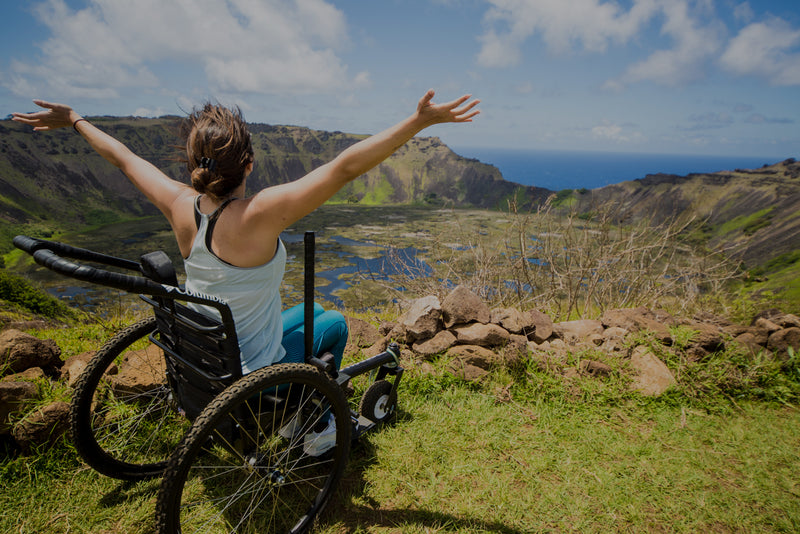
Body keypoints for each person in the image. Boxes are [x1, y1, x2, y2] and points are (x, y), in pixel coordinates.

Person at [12, 90, 480, 376]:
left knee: (314, 309)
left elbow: (124, 158)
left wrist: (74, 119)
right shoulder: (260, 214)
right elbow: (345, 168)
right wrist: (418, 122)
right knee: (334, 324)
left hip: (209, 352)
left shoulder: (178, 204)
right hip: (251, 367)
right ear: (249, 165)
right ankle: (314, 423)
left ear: (193, 165)